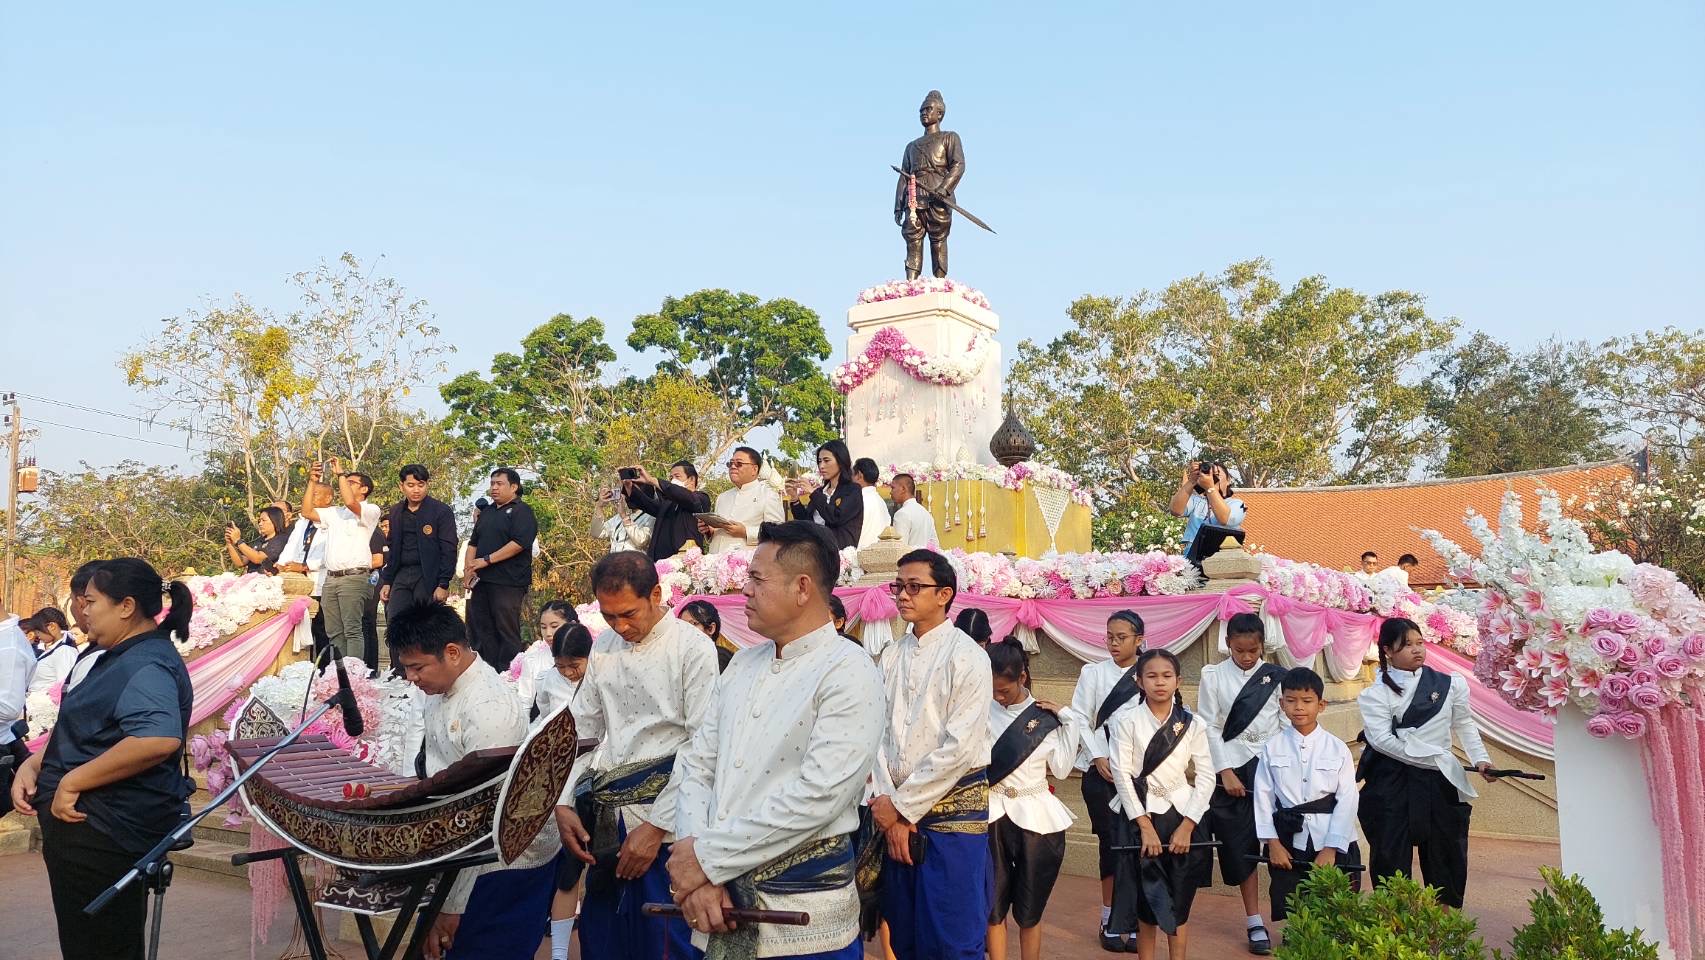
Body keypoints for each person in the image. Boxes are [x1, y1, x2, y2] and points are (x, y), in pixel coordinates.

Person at [660, 520, 885, 959]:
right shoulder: (743, 664)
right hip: (715, 903)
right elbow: (697, 765)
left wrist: (705, 860)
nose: (745, 590)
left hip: (803, 922)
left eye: (757, 579)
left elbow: (820, 795)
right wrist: (697, 865)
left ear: (802, 588)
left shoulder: (849, 669)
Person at [12, 558, 195, 960]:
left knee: (103, 946)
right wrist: (35, 763)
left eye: (91, 601)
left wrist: (72, 781)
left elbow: (157, 738)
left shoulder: (146, 661)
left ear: (126, 606)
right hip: (88, 831)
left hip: (106, 830)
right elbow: (91, 727)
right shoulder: (117, 654)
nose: (83, 611)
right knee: (87, 942)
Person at [554, 551, 719, 960]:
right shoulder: (604, 647)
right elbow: (581, 730)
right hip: (609, 821)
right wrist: (563, 800)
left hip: (669, 824)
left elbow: (703, 747)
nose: (620, 626)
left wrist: (656, 827)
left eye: (628, 614)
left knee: (665, 943)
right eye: (609, 616)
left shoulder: (693, 649)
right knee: (604, 943)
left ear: (656, 595)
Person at [386, 603, 555, 960]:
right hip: (461, 843)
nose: (411, 678)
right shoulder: (441, 688)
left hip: (505, 856)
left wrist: (451, 905)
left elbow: (482, 818)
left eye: (417, 667)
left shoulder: (489, 708)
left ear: (452, 653)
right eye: (406, 668)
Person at [868, 548, 992, 960]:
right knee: (905, 934)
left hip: (950, 818)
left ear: (944, 594)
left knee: (952, 938)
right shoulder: (890, 656)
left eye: (914, 586)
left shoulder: (968, 656)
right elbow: (876, 734)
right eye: (897, 586)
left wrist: (901, 809)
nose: (902, 595)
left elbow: (960, 747)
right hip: (894, 810)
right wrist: (888, 806)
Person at [1356, 616, 1494, 909]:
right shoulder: (1375, 694)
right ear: (1387, 650)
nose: (1417, 650)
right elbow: (1381, 740)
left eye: (1420, 642)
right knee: (1390, 856)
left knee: (1446, 853)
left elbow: (1463, 723)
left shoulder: (1449, 684)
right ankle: (1395, 926)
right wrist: (1431, 758)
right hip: (1392, 780)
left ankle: (1444, 925)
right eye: (1407, 645)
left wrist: (1481, 759)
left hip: (1438, 781)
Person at [1107, 648, 1214, 960]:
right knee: (1146, 901)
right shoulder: (1125, 721)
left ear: (1178, 680)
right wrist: (1144, 826)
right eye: (1151, 676)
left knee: (1179, 902)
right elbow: (1121, 775)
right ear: (1139, 682)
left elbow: (1207, 776)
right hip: (1141, 814)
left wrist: (1188, 825)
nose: (1160, 682)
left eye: (1167, 676)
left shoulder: (1193, 723)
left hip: (1182, 814)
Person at [1196, 612, 1287, 955]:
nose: (1247, 657)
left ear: (1263, 645)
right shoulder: (1214, 676)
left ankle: (1291, 919)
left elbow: (1285, 724)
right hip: (1233, 767)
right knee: (1241, 846)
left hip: (1272, 767)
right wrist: (1224, 770)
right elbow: (1208, 725)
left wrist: (1281, 770)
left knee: (1283, 844)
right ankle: (1254, 920)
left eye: (1253, 650)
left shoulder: (1278, 678)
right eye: (1240, 650)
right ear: (1228, 644)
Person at [985, 639, 1080, 960]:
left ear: (1022, 677)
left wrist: (1068, 719)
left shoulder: (1045, 718)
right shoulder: (981, 711)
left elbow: (1062, 770)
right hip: (992, 815)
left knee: (1030, 910)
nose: (998, 697)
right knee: (993, 907)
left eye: (1004, 690)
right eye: (993, 690)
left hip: (1037, 819)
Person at [1254, 667, 1361, 927]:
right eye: (1291, 700)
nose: (1299, 707)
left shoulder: (1337, 748)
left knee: (1335, 908)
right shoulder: (1272, 748)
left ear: (1321, 705)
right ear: (1282, 704)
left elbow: (1348, 799)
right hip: (1289, 839)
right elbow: (1263, 798)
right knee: (1294, 906)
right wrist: (1273, 844)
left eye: (1307, 700)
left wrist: (1331, 848)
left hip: (1331, 837)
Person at [1067, 610, 1146, 951]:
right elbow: (1080, 718)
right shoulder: (1094, 673)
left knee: (1141, 845)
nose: (1114, 643)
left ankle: (1140, 919)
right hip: (1101, 772)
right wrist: (1098, 755)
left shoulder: (1150, 671)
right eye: (1110, 637)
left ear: (1139, 639)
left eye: (1122, 638)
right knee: (1110, 845)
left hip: (1139, 774)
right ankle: (1109, 916)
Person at [539, 620, 594, 960]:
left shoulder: (603, 678)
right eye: (561, 667)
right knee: (568, 872)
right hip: (563, 784)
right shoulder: (549, 681)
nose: (569, 673)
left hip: (597, 780)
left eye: (574, 665)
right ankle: (559, 953)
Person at [304, 459, 382, 660]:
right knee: (334, 632)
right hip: (331, 579)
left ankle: (353, 673)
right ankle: (339, 673)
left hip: (354, 577)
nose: (345, 484)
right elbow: (307, 512)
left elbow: (350, 502)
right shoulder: (335, 513)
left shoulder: (371, 510)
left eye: (351, 482)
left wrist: (340, 475)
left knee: (352, 629)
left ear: (364, 489)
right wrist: (312, 481)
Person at [463, 467, 540, 671]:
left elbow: (519, 543)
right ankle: (486, 673)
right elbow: (473, 543)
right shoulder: (487, 512)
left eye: (499, 484)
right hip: (482, 582)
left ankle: (509, 674)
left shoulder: (522, 511)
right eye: (492, 484)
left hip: (508, 582)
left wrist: (487, 560)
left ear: (514, 487)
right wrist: (469, 569)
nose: (494, 488)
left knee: (506, 630)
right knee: (481, 630)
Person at [379, 464, 458, 623]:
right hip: (401, 573)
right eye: (411, 485)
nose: (416, 490)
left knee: (424, 624)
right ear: (401, 486)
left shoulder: (441, 511)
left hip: (427, 574)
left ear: (427, 484)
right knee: (395, 620)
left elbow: (448, 549)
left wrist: (443, 583)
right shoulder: (396, 511)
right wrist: (387, 581)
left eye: (421, 485)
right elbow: (393, 549)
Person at [278, 483, 334, 654]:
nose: (310, 498)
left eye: (315, 494)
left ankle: (323, 666)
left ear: (328, 498)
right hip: (299, 583)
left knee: (321, 630)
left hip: (320, 582)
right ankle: (303, 664)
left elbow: (330, 552)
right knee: (302, 630)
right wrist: (282, 563)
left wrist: (304, 566)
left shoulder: (334, 519)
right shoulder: (303, 522)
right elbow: (292, 545)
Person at [700, 446, 785, 555]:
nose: (733, 467)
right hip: (716, 560)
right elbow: (718, 532)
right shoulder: (723, 497)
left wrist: (746, 532)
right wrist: (710, 531)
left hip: (748, 562)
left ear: (754, 469)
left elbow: (777, 533)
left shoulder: (768, 494)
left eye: (739, 464)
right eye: (730, 463)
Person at [788, 440, 865, 550]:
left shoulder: (852, 490)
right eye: (819, 461)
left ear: (841, 461)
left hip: (840, 553)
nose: (821, 466)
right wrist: (794, 499)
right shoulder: (820, 492)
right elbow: (806, 523)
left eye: (826, 460)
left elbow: (835, 518)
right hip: (815, 552)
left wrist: (813, 493)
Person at [627, 462, 712, 561]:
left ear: (692, 479)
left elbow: (683, 496)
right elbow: (646, 504)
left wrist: (652, 480)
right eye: (671, 478)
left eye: (677, 476)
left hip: (685, 560)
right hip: (659, 562)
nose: (673, 480)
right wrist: (628, 486)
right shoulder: (667, 503)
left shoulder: (701, 498)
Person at [1167, 460, 1245, 555]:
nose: (1212, 478)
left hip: (1222, 558)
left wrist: (1210, 488)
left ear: (1228, 479)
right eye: (1209, 474)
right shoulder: (1196, 501)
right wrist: (1192, 481)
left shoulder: (1237, 504)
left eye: (1216, 474)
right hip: (1193, 556)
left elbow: (1226, 519)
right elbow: (1175, 510)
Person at [26, 608, 79, 702]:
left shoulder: (65, 651)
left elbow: (66, 685)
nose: (37, 635)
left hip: (47, 706)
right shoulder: (55, 649)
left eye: (38, 631)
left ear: (52, 626)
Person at [225, 505, 289, 574]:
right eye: (259, 521)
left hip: (266, 578)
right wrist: (230, 543)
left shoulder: (281, 539)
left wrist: (238, 540)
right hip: (251, 577)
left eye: (264, 520)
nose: (260, 524)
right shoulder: (259, 540)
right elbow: (241, 562)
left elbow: (258, 558)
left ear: (275, 521)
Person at [592, 486, 654, 554]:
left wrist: (624, 517)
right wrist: (599, 506)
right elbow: (597, 533)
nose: (629, 497)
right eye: (626, 494)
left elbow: (641, 541)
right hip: (614, 560)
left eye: (633, 493)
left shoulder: (651, 517)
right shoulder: (618, 517)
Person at [360, 518, 388, 670]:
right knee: (365, 623)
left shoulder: (374, 532)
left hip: (372, 579)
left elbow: (378, 560)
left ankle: (369, 666)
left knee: (367, 621)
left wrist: (355, 564)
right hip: (366, 579)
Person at [678, 599, 735, 673]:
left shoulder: (723, 660)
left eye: (694, 623)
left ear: (711, 629)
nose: (684, 630)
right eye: (682, 625)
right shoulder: (678, 657)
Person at [889, 473, 937, 548]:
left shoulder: (902, 514)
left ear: (903, 489)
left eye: (893, 488)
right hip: (926, 555)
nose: (891, 492)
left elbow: (899, 548)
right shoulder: (926, 513)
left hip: (910, 555)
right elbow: (935, 545)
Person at [853, 457, 888, 549]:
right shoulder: (882, 502)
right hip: (880, 553)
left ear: (859, 475)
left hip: (857, 554)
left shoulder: (857, 500)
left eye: (852, 475)